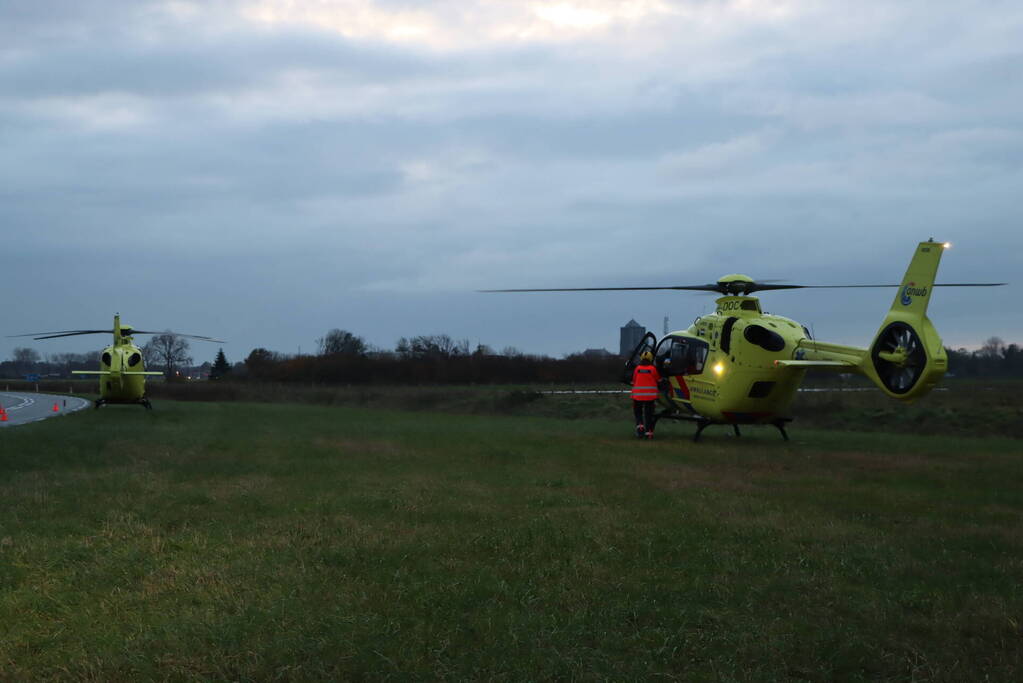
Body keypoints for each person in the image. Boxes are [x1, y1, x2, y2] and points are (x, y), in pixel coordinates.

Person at [631, 350, 661, 439]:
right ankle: (648, 433)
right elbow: (658, 380)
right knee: (648, 414)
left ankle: (640, 427)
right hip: (650, 397)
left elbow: (634, 380)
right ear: (651, 359)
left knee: (638, 412)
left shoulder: (637, 369)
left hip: (637, 396)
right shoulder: (653, 369)